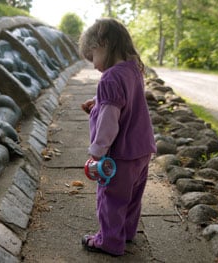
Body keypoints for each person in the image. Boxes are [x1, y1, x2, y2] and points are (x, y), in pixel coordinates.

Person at [78, 18, 157, 256]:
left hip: (120, 154)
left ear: (104, 44)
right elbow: (123, 103)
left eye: (93, 57)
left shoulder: (109, 78)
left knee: (111, 198)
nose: (93, 66)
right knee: (132, 196)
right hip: (142, 148)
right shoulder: (133, 69)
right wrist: (98, 103)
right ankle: (126, 232)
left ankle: (109, 241)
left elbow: (110, 121)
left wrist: (97, 150)